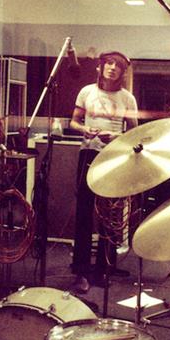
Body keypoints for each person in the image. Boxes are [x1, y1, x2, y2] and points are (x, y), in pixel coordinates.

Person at [69, 50, 138, 294]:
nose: (111, 68)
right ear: (100, 67)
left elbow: (134, 134)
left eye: (117, 66)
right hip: (88, 154)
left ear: (122, 72)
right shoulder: (86, 92)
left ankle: (104, 270)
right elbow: (73, 122)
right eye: (108, 64)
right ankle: (81, 272)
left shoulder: (128, 99)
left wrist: (116, 136)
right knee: (84, 214)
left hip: (114, 159)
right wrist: (83, 129)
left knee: (110, 216)